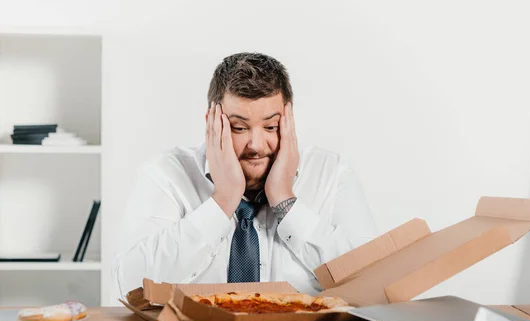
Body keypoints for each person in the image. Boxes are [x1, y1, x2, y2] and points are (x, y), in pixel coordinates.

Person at [113, 52, 377, 297]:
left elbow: (372, 284)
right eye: (239, 127)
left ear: (289, 121)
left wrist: (285, 201)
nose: (257, 145)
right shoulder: (167, 174)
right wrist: (223, 201)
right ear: (213, 123)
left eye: (271, 126)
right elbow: (131, 284)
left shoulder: (332, 174)